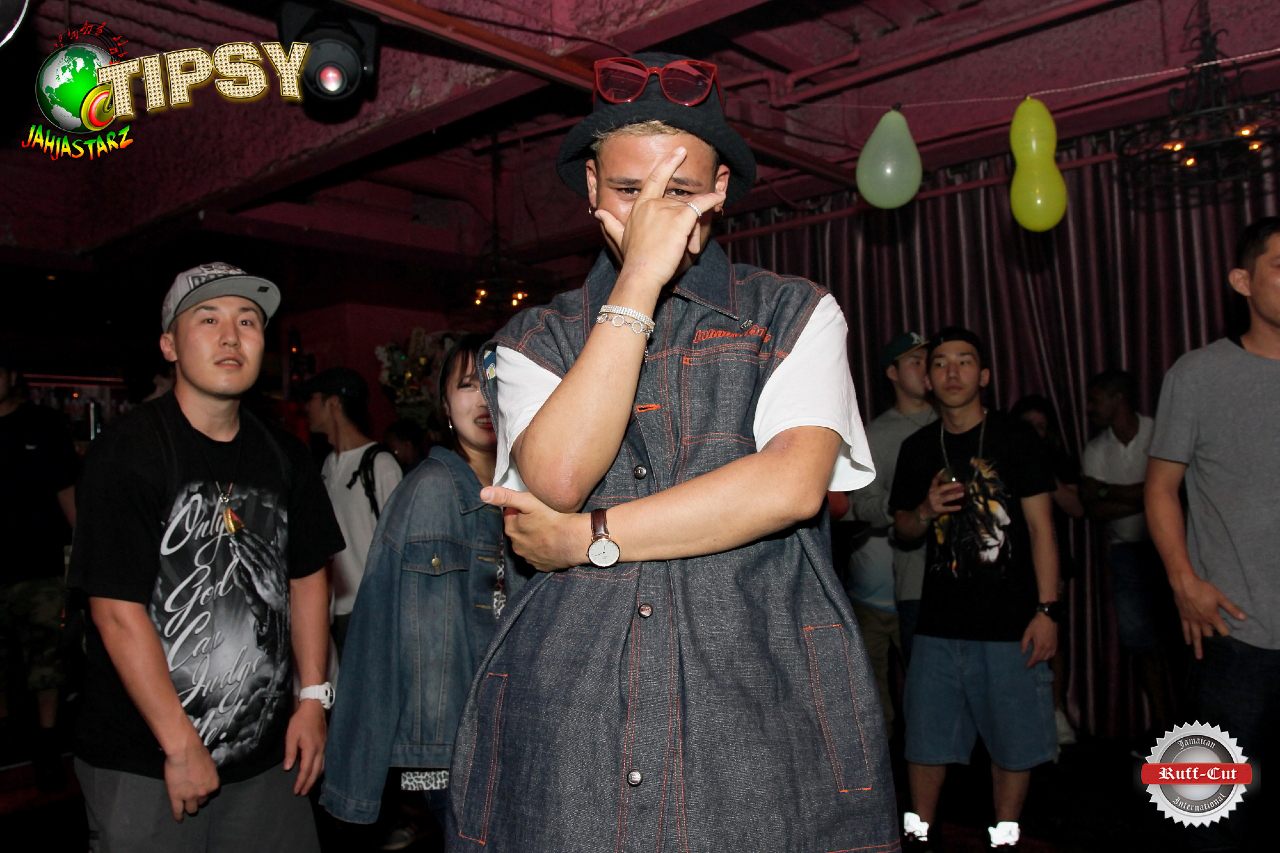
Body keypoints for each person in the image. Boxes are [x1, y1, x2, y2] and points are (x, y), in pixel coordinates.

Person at [443, 52, 897, 853]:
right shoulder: (534, 338)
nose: (655, 213)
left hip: (757, 714)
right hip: (574, 718)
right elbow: (559, 475)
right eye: (629, 190)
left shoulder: (794, 312)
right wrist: (639, 283)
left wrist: (588, 537)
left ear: (720, 188)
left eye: (679, 192)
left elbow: (788, 486)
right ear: (590, 188)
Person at [67, 262, 345, 853]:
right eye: (209, 319)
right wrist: (180, 745)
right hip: (146, 761)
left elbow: (308, 577)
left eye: (248, 321)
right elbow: (115, 612)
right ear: (169, 344)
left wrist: (312, 701)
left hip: (266, 756)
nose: (231, 336)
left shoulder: (285, 454)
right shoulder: (127, 453)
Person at [321, 333, 531, 848]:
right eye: (468, 385)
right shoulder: (431, 490)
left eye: (496, 382)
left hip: (519, 730)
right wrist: (356, 778)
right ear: (444, 404)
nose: (484, 397)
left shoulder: (536, 488)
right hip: (455, 744)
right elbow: (378, 632)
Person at [890, 328, 1060, 852]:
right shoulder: (919, 447)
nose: (953, 372)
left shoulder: (1015, 438)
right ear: (928, 378)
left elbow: (1042, 529)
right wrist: (925, 510)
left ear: (983, 375)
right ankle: (920, 836)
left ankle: (1004, 838)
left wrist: (1047, 610)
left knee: (1014, 744)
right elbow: (903, 529)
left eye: (965, 361)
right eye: (941, 363)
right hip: (938, 622)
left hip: (1011, 623)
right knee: (924, 742)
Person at [1145, 217, 1280, 852]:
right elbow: (1160, 487)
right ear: (1242, 281)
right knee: (1209, 817)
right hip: (1233, 635)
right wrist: (1183, 581)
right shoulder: (1198, 374)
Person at [842, 331, 935, 733]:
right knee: (877, 711)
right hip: (874, 593)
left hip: (929, 589)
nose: (926, 369)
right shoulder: (875, 435)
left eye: (929, 360)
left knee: (930, 699)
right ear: (893, 373)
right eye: (915, 361)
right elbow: (858, 506)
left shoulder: (950, 423)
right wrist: (907, 509)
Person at [1080, 370, 1176, 739]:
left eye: (1095, 400)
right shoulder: (1096, 449)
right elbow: (1092, 507)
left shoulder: (1159, 432)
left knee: (1181, 639)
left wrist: (1109, 491)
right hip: (1126, 554)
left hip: (1170, 551)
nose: (1089, 408)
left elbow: (1178, 490)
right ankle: (1165, 725)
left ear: (1117, 398)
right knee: (1140, 642)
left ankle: (1193, 722)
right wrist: (1150, 494)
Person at [0, 346, 78, 790]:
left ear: (11, 375)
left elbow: (67, 489)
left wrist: (87, 556)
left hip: (39, 566)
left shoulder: (41, 424)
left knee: (47, 662)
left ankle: (47, 745)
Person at [301, 367, 402, 656]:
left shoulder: (380, 465)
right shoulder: (327, 465)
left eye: (312, 398)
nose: (307, 407)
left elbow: (400, 544)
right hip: (333, 614)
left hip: (371, 611)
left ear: (333, 402)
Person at [1010, 393, 1083, 747]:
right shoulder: (1003, 457)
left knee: (1053, 637)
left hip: (1052, 562)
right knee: (1015, 639)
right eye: (1028, 426)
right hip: (1011, 565)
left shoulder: (1055, 460)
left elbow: (1078, 508)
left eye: (1041, 427)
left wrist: (1043, 473)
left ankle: (1056, 712)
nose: (1035, 433)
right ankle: (1023, 720)